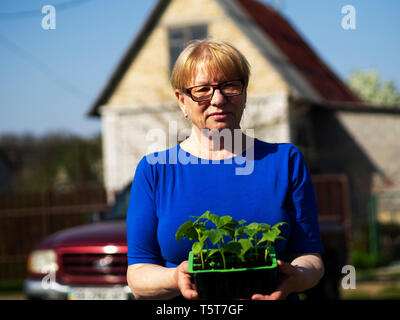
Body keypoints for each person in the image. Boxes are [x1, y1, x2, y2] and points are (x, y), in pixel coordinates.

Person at [126, 39, 324, 300]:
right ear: (181, 100)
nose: (218, 99)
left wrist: (294, 277)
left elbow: (310, 256)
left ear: (244, 93)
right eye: (203, 90)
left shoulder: (284, 161)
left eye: (230, 86)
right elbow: (138, 272)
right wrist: (175, 277)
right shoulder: (155, 171)